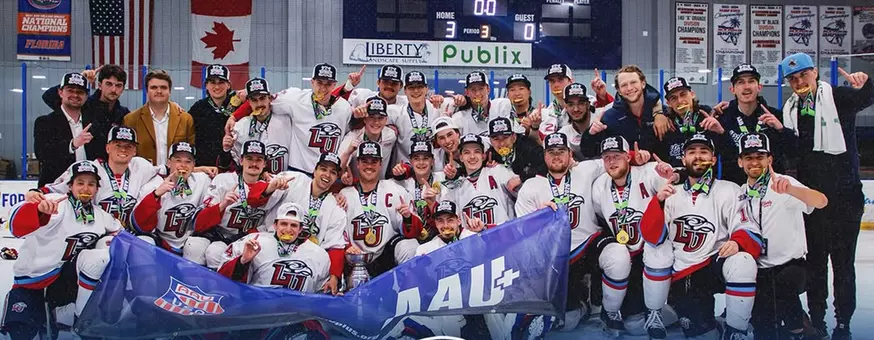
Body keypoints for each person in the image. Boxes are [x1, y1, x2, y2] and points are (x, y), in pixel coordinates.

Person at [778, 52, 874, 339]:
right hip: (812, 204)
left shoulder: (839, 99)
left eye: (803, 75)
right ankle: (817, 320)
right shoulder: (791, 111)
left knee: (843, 266)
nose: (799, 82)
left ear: (815, 74)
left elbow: (868, 97)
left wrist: (866, 82)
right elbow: (794, 154)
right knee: (816, 267)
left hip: (845, 199)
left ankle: (843, 322)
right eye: (792, 79)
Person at [639, 133, 760, 339]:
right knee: (704, 336)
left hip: (712, 267)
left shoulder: (729, 189)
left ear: (713, 159)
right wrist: (658, 202)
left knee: (743, 261)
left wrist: (737, 241)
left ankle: (736, 331)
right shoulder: (670, 193)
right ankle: (655, 313)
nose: (698, 156)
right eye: (692, 152)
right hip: (682, 274)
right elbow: (651, 236)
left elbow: (747, 225)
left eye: (704, 152)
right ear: (683, 159)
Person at [515, 132, 622, 332]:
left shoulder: (586, 169)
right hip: (557, 257)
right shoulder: (531, 186)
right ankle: (581, 305)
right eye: (551, 152)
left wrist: (640, 156)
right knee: (567, 324)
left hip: (589, 242)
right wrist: (538, 219)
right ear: (544, 156)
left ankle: (609, 309)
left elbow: (616, 161)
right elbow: (524, 233)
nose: (556, 156)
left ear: (570, 154)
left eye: (561, 151)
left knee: (618, 256)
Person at [3, 161, 122, 339]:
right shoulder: (55, 204)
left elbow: (120, 232)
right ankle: (56, 314)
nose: (86, 188)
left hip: (65, 284)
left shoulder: (100, 215)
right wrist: (38, 211)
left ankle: (79, 320)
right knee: (19, 334)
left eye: (91, 184)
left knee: (102, 253)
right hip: (34, 281)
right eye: (80, 183)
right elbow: (15, 226)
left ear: (97, 189)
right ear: (70, 186)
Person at [734, 133, 827, 340]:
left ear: (770, 160)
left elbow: (821, 201)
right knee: (763, 329)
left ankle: (800, 332)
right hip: (759, 269)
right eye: (749, 157)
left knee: (783, 286)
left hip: (792, 266)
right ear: (740, 162)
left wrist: (792, 190)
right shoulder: (739, 193)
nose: (755, 162)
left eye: (760, 156)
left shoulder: (784, 183)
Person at [591, 135, 677, 337]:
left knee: (659, 247)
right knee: (634, 326)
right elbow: (601, 216)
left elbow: (671, 178)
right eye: (607, 157)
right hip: (623, 256)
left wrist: (673, 174)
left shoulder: (647, 171)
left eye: (617, 156)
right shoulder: (599, 186)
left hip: (647, 252)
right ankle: (611, 311)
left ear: (628, 156)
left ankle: (656, 312)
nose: (612, 161)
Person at [217, 202, 330, 339]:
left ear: (301, 229)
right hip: (260, 314)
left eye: (293, 225)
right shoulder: (254, 241)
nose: (288, 229)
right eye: (284, 224)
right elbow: (223, 281)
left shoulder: (319, 254)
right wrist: (243, 261)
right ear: (275, 225)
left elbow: (319, 295)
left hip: (297, 317)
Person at [227, 63, 359, 176]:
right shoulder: (294, 99)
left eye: (328, 84)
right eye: (319, 83)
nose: (323, 88)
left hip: (328, 174)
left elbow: (351, 132)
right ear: (312, 82)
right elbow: (265, 101)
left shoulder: (344, 107)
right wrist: (235, 116)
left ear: (334, 84)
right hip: (298, 171)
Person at [29, 126, 165, 236]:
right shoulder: (90, 168)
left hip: (129, 234)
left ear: (135, 151)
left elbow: (166, 170)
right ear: (107, 148)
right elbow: (57, 188)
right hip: (97, 234)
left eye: (128, 146)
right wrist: (36, 192)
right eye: (118, 145)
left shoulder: (141, 167)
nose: (123, 149)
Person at [255, 152, 348, 295]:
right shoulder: (294, 180)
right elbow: (258, 201)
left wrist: (334, 276)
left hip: (305, 256)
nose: (327, 175)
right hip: (272, 243)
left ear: (336, 178)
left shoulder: (336, 208)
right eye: (323, 169)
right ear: (314, 170)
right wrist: (271, 188)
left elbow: (335, 246)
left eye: (333, 172)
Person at [194, 140, 291, 270]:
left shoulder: (274, 186)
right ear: (241, 161)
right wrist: (223, 205)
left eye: (259, 160)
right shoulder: (224, 180)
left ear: (265, 164)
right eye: (249, 158)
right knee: (197, 246)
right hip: (221, 235)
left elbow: (270, 225)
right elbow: (200, 223)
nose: (254, 163)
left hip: (252, 239)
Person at [340, 141, 423, 277]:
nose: (369, 166)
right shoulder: (344, 194)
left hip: (385, 256)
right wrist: (347, 246)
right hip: (354, 258)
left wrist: (408, 218)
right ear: (358, 164)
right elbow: (336, 230)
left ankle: (408, 289)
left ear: (381, 164)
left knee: (410, 246)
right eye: (365, 161)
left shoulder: (395, 189)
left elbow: (416, 232)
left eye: (374, 162)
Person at [131, 142, 212, 264]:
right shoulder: (153, 185)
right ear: (169, 163)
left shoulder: (202, 181)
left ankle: (191, 281)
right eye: (178, 160)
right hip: (160, 242)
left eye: (188, 161)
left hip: (187, 242)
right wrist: (156, 195)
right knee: (144, 242)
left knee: (198, 244)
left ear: (194, 165)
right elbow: (137, 225)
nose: (183, 165)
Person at [715, 64, 796, 185]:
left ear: (759, 87)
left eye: (751, 81)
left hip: (771, 188)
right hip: (736, 188)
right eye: (741, 82)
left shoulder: (776, 116)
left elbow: (793, 151)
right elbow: (715, 155)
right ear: (732, 89)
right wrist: (721, 132)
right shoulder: (723, 118)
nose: (746, 87)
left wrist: (781, 130)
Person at [41, 65, 130, 161]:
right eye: (108, 84)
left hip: (109, 168)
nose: (113, 90)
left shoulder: (123, 113)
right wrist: (78, 80)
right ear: (99, 85)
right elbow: (48, 97)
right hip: (79, 165)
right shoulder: (83, 104)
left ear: (123, 89)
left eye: (118, 85)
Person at [443, 134, 521, 230]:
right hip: (474, 242)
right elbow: (445, 218)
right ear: (461, 157)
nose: (472, 156)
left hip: (506, 239)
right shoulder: (456, 186)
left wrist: (522, 179)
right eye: (467, 152)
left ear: (483, 156)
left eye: (477, 152)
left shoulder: (498, 171)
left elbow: (523, 192)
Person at [34, 73, 100, 187]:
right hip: (54, 188)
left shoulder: (94, 124)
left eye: (80, 92)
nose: (75, 95)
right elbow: (42, 154)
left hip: (88, 191)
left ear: (86, 96)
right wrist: (72, 144)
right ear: (60, 92)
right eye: (70, 90)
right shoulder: (45, 122)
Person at [220, 77, 293, 174]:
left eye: (262, 98)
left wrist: (233, 116)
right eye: (254, 100)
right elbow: (232, 165)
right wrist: (226, 149)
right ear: (249, 102)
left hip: (283, 182)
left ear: (269, 98)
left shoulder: (287, 120)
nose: (259, 104)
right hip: (254, 183)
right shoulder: (240, 127)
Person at [589, 65, 670, 153]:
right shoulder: (609, 117)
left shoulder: (666, 113)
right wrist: (591, 134)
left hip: (661, 165)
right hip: (626, 166)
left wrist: (662, 114)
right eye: (624, 85)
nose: (629, 88)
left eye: (633, 82)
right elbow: (592, 151)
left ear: (643, 84)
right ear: (619, 90)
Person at [123, 69, 195, 166]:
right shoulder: (131, 119)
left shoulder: (185, 119)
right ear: (147, 91)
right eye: (153, 87)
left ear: (170, 91)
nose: (159, 91)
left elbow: (193, 153)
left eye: (163, 87)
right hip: (143, 177)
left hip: (176, 176)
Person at [653, 77, 721, 168]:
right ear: (668, 103)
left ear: (692, 94)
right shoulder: (666, 123)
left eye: (683, 94)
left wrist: (720, 132)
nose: (680, 101)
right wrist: (659, 115)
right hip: (674, 178)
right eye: (674, 98)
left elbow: (725, 151)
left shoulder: (709, 116)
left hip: (705, 178)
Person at [188, 64, 244, 167]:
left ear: (228, 85)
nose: (217, 87)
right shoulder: (198, 108)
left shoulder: (239, 105)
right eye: (212, 82)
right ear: (206, 85)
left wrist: (247, 93)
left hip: (235, 167)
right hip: (205, 168)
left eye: (221, 82)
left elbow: (262, 102)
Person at [389, 141, 445, 244]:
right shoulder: (401, 184)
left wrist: (432, 205)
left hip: (440, 234)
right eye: (416, 159)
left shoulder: (443, 179)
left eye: (425, 158)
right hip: (413, 236)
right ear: (410, 162)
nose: (421, 163)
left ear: (432, 161)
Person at [537, 65, 613, 138]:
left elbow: (611, 113)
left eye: (560, 80)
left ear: (571, 81)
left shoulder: (590, 101)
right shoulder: (547, 112)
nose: (556, 85)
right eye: (552, 81)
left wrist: (603, 96)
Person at [389, 71, 445, 164]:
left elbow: (459, 103)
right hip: (403, 170)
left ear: (426, 89)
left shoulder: (437, 109)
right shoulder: (395, 112)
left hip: (432, 169)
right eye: (411, 88)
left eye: (420, 87)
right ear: (405, 90)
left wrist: (463, 101)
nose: (416, 91)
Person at [341, 97, 398, 180]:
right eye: (371, 117)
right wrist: (348, 153)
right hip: (355, 187)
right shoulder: (352, 137)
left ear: (386, 120)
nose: (376, 122)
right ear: (364, 119)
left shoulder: (390, 136)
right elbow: (337, 167)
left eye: (380, 118)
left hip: (381, 186)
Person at [451, 71, 513, 141]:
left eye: (481, 88)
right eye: (473, 90)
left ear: (488, 90)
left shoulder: (502, 106)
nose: (477, 93)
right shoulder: (458, 118)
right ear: (467, 93)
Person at [486, 117, 545, 182]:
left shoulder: (527, 146)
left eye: (505, 137)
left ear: (514, 137)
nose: (502, 144)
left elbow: (545, 164)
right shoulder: (490, 155)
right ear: (490, 141)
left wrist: (522, 178)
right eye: (496, 139)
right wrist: (487, 169)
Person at [556, 82, 602, 160]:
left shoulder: (600, 117)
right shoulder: (564, 134)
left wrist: (603, 95)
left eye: (580, 104)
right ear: (566, 107)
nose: (576, 109)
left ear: (588, 105)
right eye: (571, 105)